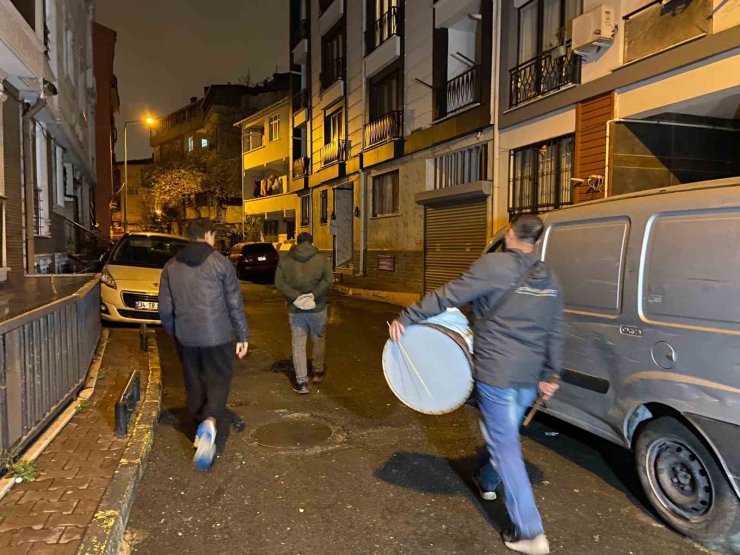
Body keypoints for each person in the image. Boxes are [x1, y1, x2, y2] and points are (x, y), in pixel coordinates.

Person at [389, 215, 563, 555]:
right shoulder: (549, 276)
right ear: (537, 241)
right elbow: (556, 326)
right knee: (503, 434)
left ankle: (530, 531)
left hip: (497, 372)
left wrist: (407, 317)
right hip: (529, 376)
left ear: (510, 233)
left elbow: (448, 295)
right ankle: (486, 480)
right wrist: (553, 373)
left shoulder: (493, 266)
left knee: (505, 446)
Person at [159, 219, 249, 471]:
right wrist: (242, 336)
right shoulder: (220, 263)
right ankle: (209, 421)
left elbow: (165, 309)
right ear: (209, 235)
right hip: (217, 336)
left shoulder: (170, 266)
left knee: (194, 382)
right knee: (218, 380)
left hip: (187, 337)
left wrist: (175, 332)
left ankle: (199, 427)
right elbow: (234, 303)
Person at [275, 232, 333, 394]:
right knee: (318, 339)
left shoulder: (286, 259)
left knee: (298, 343)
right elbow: (328, 279)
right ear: (311, 242)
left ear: (297, 243)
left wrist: (297, 297)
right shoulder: (322, 259)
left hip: (296, 309)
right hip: (318, 307)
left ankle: (301, 382)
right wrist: (313, 295)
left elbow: (279, 282)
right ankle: (318, 371)